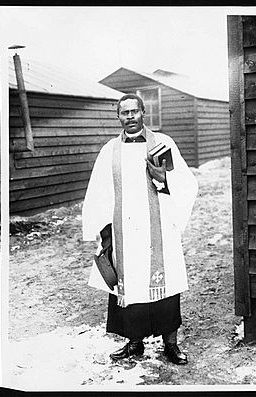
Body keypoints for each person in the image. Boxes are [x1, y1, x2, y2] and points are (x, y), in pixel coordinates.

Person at [82, 93, 198, 365]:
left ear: (144, 113)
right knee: (129, 284)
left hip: (158, 231)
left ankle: (171, 345)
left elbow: (187, 184)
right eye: (125, 113)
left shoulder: (163, 143)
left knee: (165, 286)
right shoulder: (110, 149)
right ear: (118, 117)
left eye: (135, 111)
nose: (130, 117)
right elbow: (98, 190)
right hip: (124, 230)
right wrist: (103, 228)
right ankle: (135, 343)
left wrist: (163, 178)